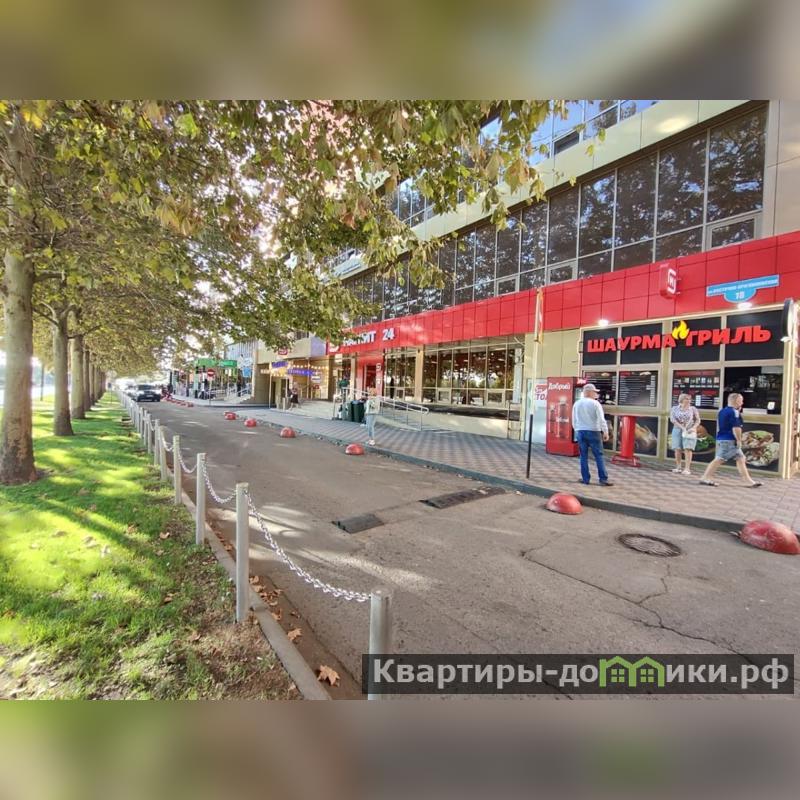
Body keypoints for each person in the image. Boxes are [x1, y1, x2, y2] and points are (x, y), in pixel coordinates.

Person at [699, 393, 763, 487]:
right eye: (741, 400)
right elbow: (736, 428)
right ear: (737, 401)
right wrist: (739, 440)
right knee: (719, 459)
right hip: (730, 440)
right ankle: (705, 477)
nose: (742, 402)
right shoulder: (734, 412)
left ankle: (749, 481)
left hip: (723, 438)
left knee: (741, 458)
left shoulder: (722, 411)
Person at [571, 383, 614, 486]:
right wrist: (605, 432)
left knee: (583, 456)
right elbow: (601, 419)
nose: (596, 394)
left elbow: (574, 420)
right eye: (594, 392)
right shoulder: (595, 404)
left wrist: (577, 430)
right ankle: (603, 479)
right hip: (594, 432)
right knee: (599, 455)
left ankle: (585, 479)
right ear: (589, 392)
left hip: (580, 432)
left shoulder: (577, 403)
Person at [669, 393, 700, 475]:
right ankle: (678, 467)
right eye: (687, 399)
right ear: (681, 400)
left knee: (688, 448)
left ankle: (687, 469)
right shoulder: (674, 408)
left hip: (690, 430)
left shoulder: (693, 409)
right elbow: (672, 419)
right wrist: (682, 428)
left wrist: (693, 428)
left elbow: (698, 420)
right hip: (677, 429)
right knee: (677, 448)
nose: (689, 400)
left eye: (689, 399)